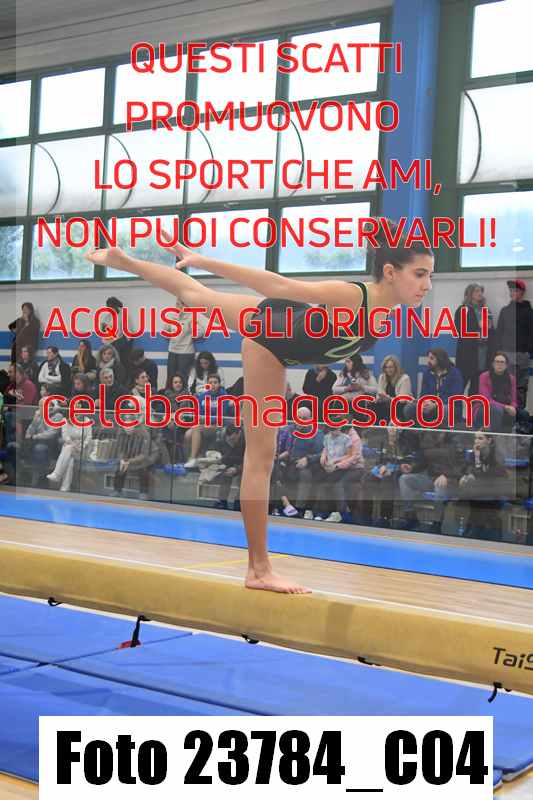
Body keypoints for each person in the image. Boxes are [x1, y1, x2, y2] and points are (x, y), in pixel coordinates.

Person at [85, 219, 434, 593]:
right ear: (390, 272)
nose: (427, 285)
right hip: (270, 335)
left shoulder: (385, 314)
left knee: (196, 295)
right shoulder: (356, 296)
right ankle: (259, 569)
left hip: (282, 334)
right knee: (259, 455)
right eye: (420, 274)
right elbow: (277, 285)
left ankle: (126, 261)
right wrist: (203, 260)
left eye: (429, 275)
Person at [496, 279, 533, 410]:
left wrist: (528, 352)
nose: (512, 293)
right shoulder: (505, 311)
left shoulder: (529, 312)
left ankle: (520, 414)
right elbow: (499, 332)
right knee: (505, 385)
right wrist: (499, 351)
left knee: (521, 387)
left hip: (522, 355)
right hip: (506, 354)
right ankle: (506, 414)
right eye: (511, 290)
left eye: (515, 290)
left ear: (522, 292)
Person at [403, 348, 464, 427]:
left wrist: (435, 404)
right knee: (409, 408)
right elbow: (424, 393)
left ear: (440, 359)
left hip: (450, 406)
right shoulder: (427, 373)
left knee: (444, 409)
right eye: (428, 358)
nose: (428, 361)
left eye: (432, 358)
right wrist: (425, 402)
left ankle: (442, 433)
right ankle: (417, 432)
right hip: (430, 404)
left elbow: (455, 396)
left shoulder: (454, 373)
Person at [454, 283, 494, 394]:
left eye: (481, 291)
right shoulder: (462, 310)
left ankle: (473, 405)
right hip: (467, 353)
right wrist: (478, 327)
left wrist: (489, 328)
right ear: (470, 293)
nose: (480, 293)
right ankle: (455, 405)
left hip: (483, 353)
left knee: (477, 387)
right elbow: (460, 331)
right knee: (460, 386)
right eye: (477, 291)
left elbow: (491, 332)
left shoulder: (486, 310)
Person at [477, 351, 529, 433]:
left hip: (506, 407)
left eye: (502, 362)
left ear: (506, 365)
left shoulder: (511, 378)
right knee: (497, 411)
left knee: (524, 414)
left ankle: (521, 438)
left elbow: (514, 399)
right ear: (493, 364)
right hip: (485, 407)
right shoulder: (484, 376)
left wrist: (513, 407)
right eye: (497, 362)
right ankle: (495, 437)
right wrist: (505, 407)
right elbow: (486, 399)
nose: (499, 364)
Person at [165, 297, 208, 388]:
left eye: (180, 304)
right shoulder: (172, 316)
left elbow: (200, 331)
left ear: (186, 305)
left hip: (186, 351)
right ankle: (169, 395)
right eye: (177, 304)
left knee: (183, 378)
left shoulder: (191, 317)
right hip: (172, 350)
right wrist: (168, 333)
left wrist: (190, 336)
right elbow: (165, 330)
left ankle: (183, 395)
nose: (178, 306)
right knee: (170, 377)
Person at [375, 354, 412, 422]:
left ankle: (394, 424)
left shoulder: (405, 378)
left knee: (396, 406)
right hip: (386, 403)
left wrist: (389, 399)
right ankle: (377, 426)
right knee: (375, 404)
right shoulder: (382, 377)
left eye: (390, 367)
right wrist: (380, 398)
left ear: (396, 367)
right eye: (386, 367)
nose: (388, 370)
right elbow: (379, 393)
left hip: (400, 405)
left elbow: (403, 400)